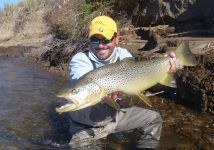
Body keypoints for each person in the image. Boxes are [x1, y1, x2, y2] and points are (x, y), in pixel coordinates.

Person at [67, 15, 177, 149]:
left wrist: (165, 65)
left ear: (117, 38)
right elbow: (80, 83)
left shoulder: (123, 56)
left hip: (114, 117)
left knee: (153, 120)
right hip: (85, 127)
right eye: (95, 39)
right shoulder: (80, 60)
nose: (100, 45)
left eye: (106, 39)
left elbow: (140, 78)